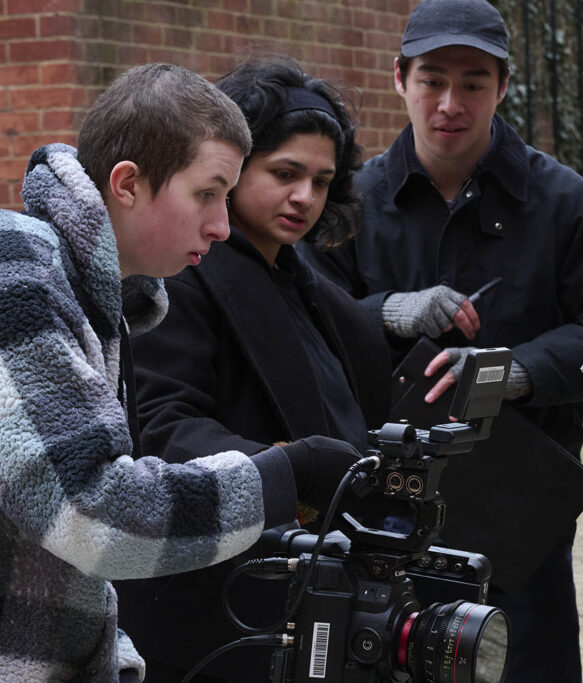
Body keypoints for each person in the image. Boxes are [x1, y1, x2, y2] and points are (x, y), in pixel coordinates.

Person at [0, 63, 366, 683]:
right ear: (127, 183)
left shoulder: (90, 295)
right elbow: (94, 514)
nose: (222, 225)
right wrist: (283, 472)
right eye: (208, 193)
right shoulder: (20, 272)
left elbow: (49, 552)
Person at [299, 1, 583, 679]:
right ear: (399, 78)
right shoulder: (347, 204)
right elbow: (303, 328)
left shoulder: (569, 206)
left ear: (503, 86)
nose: (451, 102)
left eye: (474, 82)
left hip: (519, 519)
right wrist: (387, 311)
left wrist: (517, 371)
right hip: (377, 511)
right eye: (432, 79)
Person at [112, 59, 392, 683]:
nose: (305, 197)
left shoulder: (304, 280)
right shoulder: (176, 275)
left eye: (322, 181)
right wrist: (288, 469)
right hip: (219, 613)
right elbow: (160, 428)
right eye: (285, 173)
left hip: (309, 595)